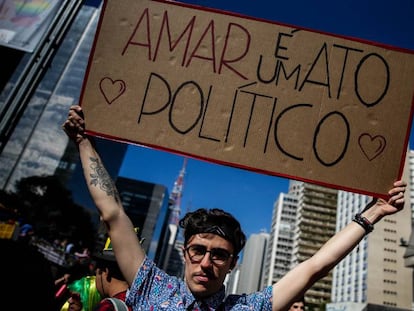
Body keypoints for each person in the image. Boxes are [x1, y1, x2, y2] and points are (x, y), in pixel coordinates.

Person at [63, 105, 407, 311]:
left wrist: (373, 213)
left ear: (232, 264)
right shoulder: (151, 286)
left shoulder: (247, 307)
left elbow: (315, 266)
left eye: (219, 255)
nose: (206, 263)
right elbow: (113, 213)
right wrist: (82, 142)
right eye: (198, 250)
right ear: (184, 252)